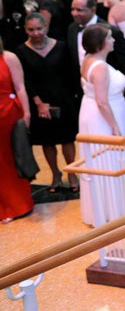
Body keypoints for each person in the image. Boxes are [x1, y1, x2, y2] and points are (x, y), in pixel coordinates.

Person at [78, 23, 125, 226]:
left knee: (100, 159)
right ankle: (113, 210)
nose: (113, 41)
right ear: (101, 44)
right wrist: (114, 127)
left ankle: (104, 208)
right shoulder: (100, 67)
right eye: (110, 38)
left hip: (91, 111)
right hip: (103, 116)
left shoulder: (88, 59)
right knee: (108, 159)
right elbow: (102, 101)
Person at [15, 13, 79, 193]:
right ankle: (55, 174)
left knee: (67, 139)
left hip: (63, 99)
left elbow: (70, 73)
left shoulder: (61, 46)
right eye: (31, 29)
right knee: (47, 141)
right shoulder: (21, 51)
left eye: (39, 29)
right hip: (39, 102)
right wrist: (38, 103)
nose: (35, 33)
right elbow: (25, 81)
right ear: (26, 29)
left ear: (46, 28)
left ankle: (72, 173)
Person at [68, 0, 125, 98]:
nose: (74, 13)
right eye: (72, 9)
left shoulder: (110, 31)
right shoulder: (72, 28)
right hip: (84, 91)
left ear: (93, 10)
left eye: (79, 10)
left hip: (109, 90)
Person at [0, 38, 32, 223]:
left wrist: (26, 113)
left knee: (11, 159)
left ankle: (17, 204)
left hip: (8, 114)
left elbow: (20, 87)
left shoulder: (9, 57)